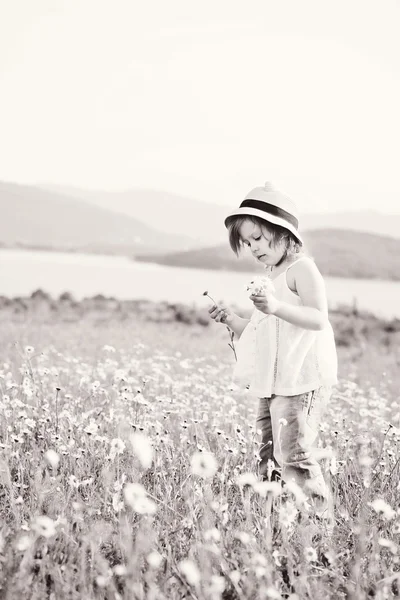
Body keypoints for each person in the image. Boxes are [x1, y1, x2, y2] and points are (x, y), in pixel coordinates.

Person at [208, 182, 338, 520]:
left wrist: (275, 305)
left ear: (284, 233)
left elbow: (318, 318)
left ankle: (320, 527)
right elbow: (260, 330)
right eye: (248, 242)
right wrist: (232, 319)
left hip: (300, 380)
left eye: (259, 238)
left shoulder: (302, 269)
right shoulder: (271, 274)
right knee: (269, 453)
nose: (253, 247)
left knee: (293, 455)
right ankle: (280, 524)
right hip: (274, 382)